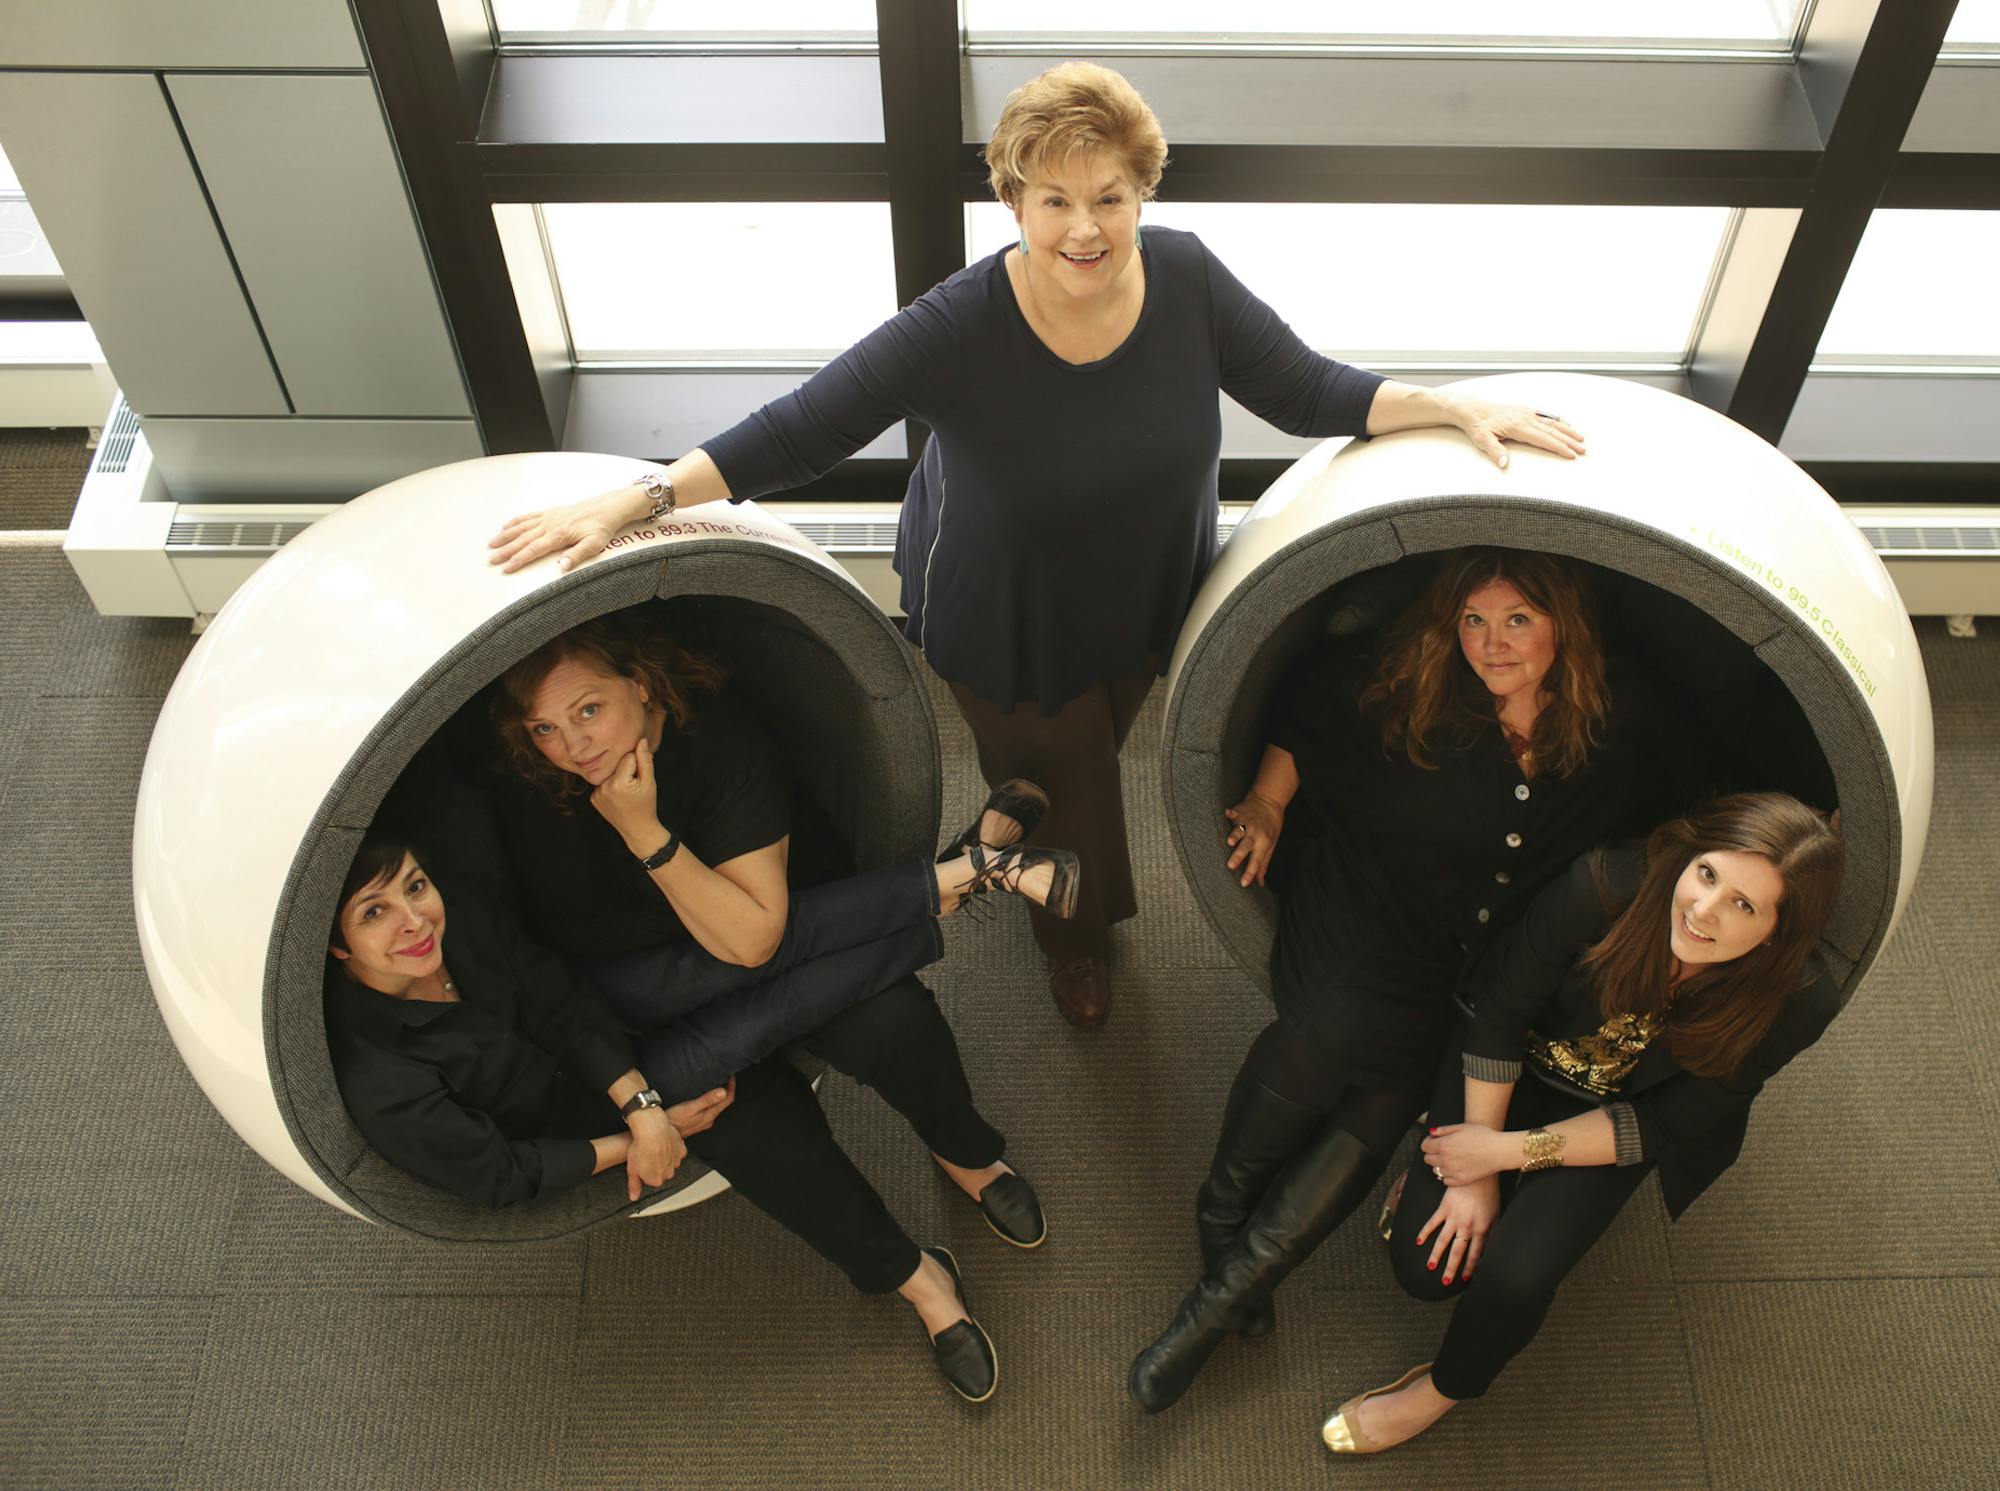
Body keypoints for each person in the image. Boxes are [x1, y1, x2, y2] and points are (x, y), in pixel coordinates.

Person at [486, 61, 1585, 1028]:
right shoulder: (963, 321)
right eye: (1054, 199)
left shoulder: (1189, 278)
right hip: (1005, 613)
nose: (1084, 229)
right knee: (1077, 790)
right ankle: (1074, 933)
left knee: (1086, 760)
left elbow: (1306, 389)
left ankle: (1010, 819)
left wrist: (1445, 407)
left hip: (1143, 597)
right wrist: (638, 499)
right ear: (1012, 199)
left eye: (1110, 197)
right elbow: (807, 426)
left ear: (1143, 192)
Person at [1128, 546, 1657, 1413]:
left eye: (1518, 620)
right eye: (1475, 621)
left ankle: (1212, 1305)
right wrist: (1266, 801)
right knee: (1327, 1037)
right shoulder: (1413, 682)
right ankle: (1220, 1219)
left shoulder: (1614, 720)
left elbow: (1703, 780)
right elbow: (1307, 708)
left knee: (1390, 1090)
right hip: (1368, 896)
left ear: (1564, 624)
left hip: (1466, 957)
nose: (1492, 644)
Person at [476, 616, 1056, 1335]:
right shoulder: (535, 785)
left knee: (893, 1023)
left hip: (760, 940)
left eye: (588, 709)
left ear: (639, 682)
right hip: (671, 1002)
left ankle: (965, 1153)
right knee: (747, 1128)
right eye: (545, 729)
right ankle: (914, 1276)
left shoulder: (720, 739)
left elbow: (751, 940)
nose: (573, 745)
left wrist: (643, 833)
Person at [324, 822, 1007, 1401]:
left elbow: (553, 999)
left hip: (608, 1038)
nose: (414, 920)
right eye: (374, 912)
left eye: (415, 886)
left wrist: (641, 1099)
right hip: (585, 1122)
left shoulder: (460, 918)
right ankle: (917, 1278)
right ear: (339, 944)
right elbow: (501, 1172)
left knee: (753, 979)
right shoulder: (382, 1078)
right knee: (760, 1126)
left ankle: (927, 926)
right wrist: (643, 1133)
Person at [1321, 793, 1844, 1455]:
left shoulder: (1795, 1003)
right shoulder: (1604, 886)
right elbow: (1500, 1009)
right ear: (1689, 854)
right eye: (1708, 873)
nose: (1703, 910)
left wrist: (1500, 1154)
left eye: (1743, 904)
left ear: (1777, 931)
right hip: (1511, 1061)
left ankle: (1443, 1388)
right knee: (1427, 1271)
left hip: (1613, 1120)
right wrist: (1474, 1171)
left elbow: (1666, 1119)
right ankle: (1442, 1160)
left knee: (1515, 1277)